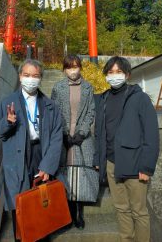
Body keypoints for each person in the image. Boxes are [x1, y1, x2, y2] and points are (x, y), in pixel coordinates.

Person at [0, 59, 62, 240]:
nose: (31, 79)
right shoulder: (8, 102)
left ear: (41, 79)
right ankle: (22, 237)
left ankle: (41, 235)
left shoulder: (50, 105)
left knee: (41, 201)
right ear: (20, 76)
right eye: (27, 75)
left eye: (36, 76)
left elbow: (56, 137)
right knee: (20, 204)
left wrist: (48, 166)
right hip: (17, 157)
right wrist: (8, 123)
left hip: (41, 153)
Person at [94, 56, 159, 242]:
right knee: (121, 209)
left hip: (135, 163)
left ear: (127, 74)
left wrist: (146, 168)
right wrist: (99, 160)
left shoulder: (140, 98)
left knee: (139, 211)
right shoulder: (104, 99)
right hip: (112, 164)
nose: (114, 76)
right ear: (106, 75)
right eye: (111, 72)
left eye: (119, 72)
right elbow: (99, 133)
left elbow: (152, 135)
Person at [51, 55, 95, 229]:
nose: (73, 70)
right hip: (63, 139)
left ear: (80, 68)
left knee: (81, 175)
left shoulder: (88, 87)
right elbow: (54, 111)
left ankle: (79, 213)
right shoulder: (58, 87)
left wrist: (81, 134)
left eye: (76, 67)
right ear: (64, 69)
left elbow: (91, 111)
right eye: (69, 67)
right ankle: (67, 212)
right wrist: (63, 134)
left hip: (80, 139)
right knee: (65, 174)